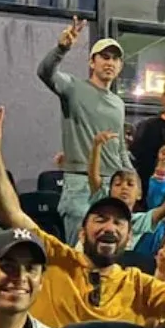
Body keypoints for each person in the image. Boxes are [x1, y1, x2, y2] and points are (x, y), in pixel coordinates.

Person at [0, 105, 165, 328]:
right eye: (100, 219)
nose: (109, 227)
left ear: (128, 237)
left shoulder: (136, 284)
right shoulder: (57, 258)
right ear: (82, 233)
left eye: (118, 222)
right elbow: (11, 212)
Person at [38, 17, 131, 243]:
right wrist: (62, 48)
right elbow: (45, 72)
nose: (110, 63)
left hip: (113, 184)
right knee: (78, 252)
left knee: (109, 252)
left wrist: (132, 179)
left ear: (120, 66)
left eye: (115, 59)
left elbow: (120, 147)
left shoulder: (119, 103)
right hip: (80, 184)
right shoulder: (73, 87)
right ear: (92, 62)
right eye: (104, 57)